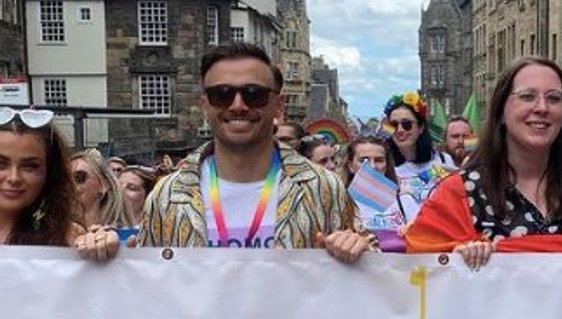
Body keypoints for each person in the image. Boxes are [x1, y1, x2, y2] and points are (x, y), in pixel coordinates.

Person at [137, 42, 369, 262]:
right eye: (222, 94)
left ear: (278, 105)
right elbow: (146, 283)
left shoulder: (323, 188)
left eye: (253, 94)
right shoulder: (167, 195)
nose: (238, 105)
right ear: (205, 105)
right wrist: (104, 255)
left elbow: (371, 272)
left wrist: (360, 250)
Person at [405, 56, 562, 268]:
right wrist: (451, 262)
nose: (542, 107)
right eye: (527, 96)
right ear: (501, 111)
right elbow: (419, 273)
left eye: (553, 98)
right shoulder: (459, 192)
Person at [0, 107, 119, 261]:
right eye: (1, 164)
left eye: (30, 166)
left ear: (50, 172)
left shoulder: (69, 238)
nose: (14, 178)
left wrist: (105, 251)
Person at [382, 91, 455, 222]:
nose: (400, 130)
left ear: (421, 127)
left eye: (407, 124)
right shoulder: (384, 167)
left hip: (439, 233)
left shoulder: (444, 161)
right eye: (393, 125)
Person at [342, 135, 404, 252]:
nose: (372, 166)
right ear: (350, 166)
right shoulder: (339, 204)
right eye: (363, 160)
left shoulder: (404, 200)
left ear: (386, 166)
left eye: (379, 160)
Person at [71, 148, 134, 228]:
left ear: (104, 185)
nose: (71, 185)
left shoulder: (123, 236)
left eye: (79, 177)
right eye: (65, 180)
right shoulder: (57, 233)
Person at [117, 164, 157, 229]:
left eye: (131, 188)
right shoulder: (104, 226)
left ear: (148, 196)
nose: (121, 191)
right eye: (118, 186)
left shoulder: (154, 232)